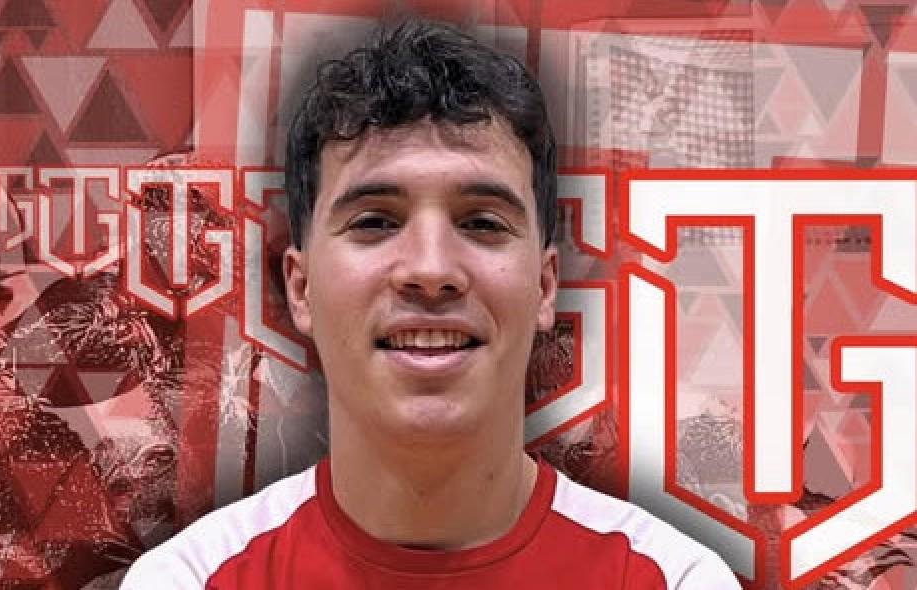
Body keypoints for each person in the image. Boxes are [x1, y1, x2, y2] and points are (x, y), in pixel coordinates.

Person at [121, 19, 740, 589]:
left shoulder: (673, 580)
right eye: (374, 221)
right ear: (300, 288)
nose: (431, 270)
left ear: (545, 286)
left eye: (482, 222)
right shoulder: (187, 581)